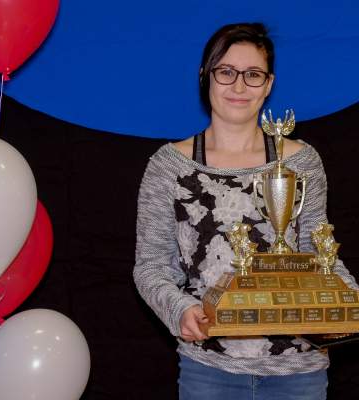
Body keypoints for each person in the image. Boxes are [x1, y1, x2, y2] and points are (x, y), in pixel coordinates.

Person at [133, 22, 357, 400]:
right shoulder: (169, 166)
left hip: (298, 374)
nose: (239, 86)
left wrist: (351, 302)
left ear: (268, 85)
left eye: (253, 74)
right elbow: (151, 266)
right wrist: (181, 309)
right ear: (205, 77)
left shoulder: (301, 162)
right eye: (226, 72)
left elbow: (321, 256)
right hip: (207, 370)